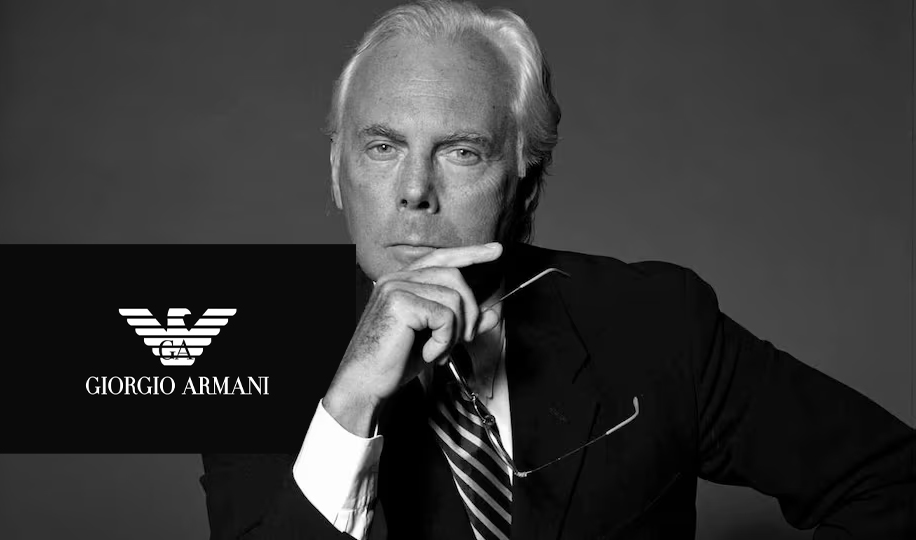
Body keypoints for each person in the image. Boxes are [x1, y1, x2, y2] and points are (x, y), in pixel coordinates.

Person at [199, 1, 916, 538]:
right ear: (337, 172)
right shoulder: (244, 344)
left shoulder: (656, 322)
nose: (415, 190)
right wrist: (349, 405)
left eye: (462, 151)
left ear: (526, 181)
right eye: (383, 147)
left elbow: (889, 479)